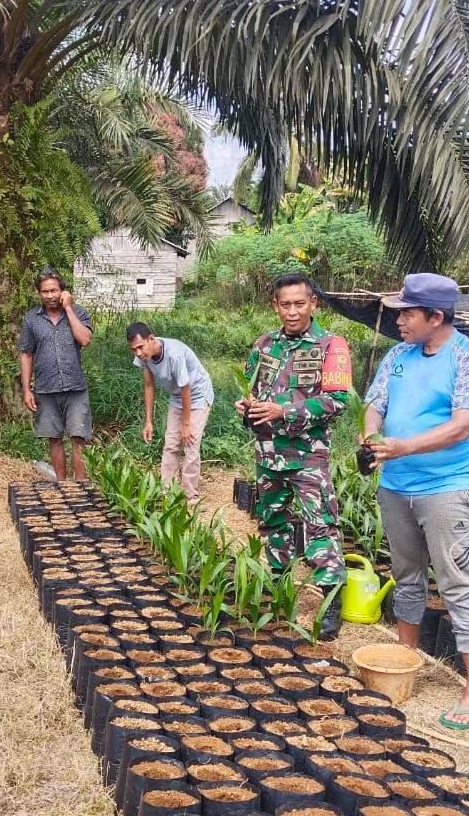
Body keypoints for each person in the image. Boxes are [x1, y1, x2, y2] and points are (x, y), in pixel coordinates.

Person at [362, 272, 469, 730]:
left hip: (446, 487)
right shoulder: (397, 355)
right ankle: (406, 657)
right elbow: (375, 403)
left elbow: (462, 425)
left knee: (457, 583)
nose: (399, 321)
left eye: (407, 313)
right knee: (406, 575)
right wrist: (372, 434)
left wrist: (403, 447)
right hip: (396, 485)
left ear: (436, 316)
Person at [235, 271, 352, 639]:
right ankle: (279, 589)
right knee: (272, 523)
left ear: (313, 303)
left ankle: (330, 601)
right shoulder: (264, 344)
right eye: (285, 304)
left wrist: (282, 411)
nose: (292, 311)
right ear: (275, 305)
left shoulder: (331, 345)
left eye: (299, 303)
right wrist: (246, 406)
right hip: (268, 454)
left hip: (307, 457)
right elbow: (250, 388)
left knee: (320, 525)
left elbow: (337, 400)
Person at [126, 322, 214, 505]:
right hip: (177, 397)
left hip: (197, 394)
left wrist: (186, 424)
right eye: (134, 349)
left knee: (190, 444)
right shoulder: (144, 357)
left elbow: (186, 387)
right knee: (171, 444)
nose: (138, 353)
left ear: (151, 339)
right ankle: (168, 494)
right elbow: (149, 386)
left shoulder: (175, 354)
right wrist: (148, 421)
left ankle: (190, 497)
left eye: (140, 347)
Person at [18, 268, 93, 480]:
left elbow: (85, 339)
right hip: (45, 389)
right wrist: (26, 389)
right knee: (54, 438)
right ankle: (61, 485)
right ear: (39, 293)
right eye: (45, 291)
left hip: (75, 387)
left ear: (62, 291)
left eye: (54, 290)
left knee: (78, 437)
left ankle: (80, 486)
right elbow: (26, 354)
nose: (50, 295)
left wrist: (68, 308)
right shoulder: (31, 319)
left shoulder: (78, 313)